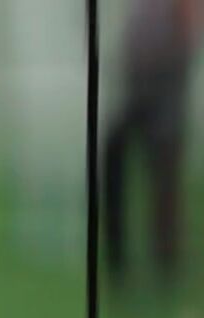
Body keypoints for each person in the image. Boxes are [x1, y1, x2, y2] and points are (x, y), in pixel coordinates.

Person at [106, 0, 204, 280]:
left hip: (165, 87)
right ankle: (120, 257)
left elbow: (190, 29)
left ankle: (167, 262)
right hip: (137, 86)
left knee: (165, 176)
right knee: (117, 157)